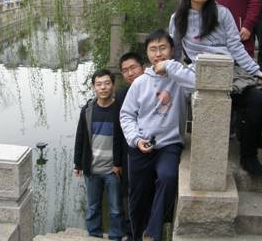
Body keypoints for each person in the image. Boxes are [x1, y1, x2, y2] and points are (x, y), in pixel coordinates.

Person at [169, 0, 262, 178]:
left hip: (228, 70)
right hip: (200, 72)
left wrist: (255, 69)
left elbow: (236, 47)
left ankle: (257, 154)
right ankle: (174, 144)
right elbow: (174, 52)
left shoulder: (222, 13)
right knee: (175, 95)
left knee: (258, 99)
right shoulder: (177, 18)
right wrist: (168, 77)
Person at [120, 30, 195, 241]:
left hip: (169, 145)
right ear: (147, 53)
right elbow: (126, 115)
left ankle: (153, 233)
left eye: (163, 48)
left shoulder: (180, 78)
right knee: (137, 197)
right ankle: (137, 236)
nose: (158, 53)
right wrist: (136, 139)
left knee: (168, 177)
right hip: (141, 144)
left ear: (172, 50)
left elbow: (199, 82)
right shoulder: (140, 83)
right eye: (153, 49)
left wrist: (171, 67)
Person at [73, 69, 125, 240]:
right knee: (93, 206)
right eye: (99, 84)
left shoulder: (120, 109)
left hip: (113, 170)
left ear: (113, 85)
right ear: (93, 87)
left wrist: (119, 164)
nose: (103, 87)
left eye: (107, 83)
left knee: (115, 208)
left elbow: (123, 140)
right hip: (92, 169)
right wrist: (78, 163)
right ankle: (94, 235)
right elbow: (80, 137)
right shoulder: (88, 110)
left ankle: (115, 236)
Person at [114, 52, 145, 240]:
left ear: (143, 67)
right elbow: (118, 131)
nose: (130, 73)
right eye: (125, 70)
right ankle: (130, 232)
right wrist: (116, 162)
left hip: (152, 151)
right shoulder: (121, 95)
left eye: (133, 68)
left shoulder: (154, 88)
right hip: (128, 153)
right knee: (128, 192)